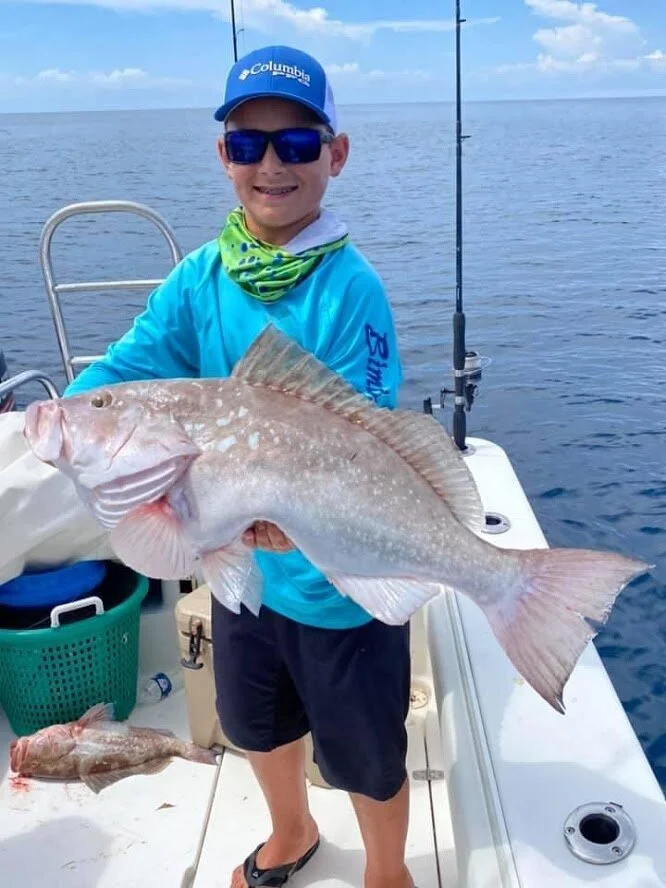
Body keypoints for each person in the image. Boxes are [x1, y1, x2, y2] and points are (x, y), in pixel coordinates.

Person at [65, 44, 413, 888]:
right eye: (249, 144)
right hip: (239, 569)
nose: (271, 165)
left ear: (335, 154)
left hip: (339, 577)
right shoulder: (200, 277)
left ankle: (386, 871)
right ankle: (292, 831)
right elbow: (127, 364)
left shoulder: (350, 289)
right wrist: (68, 416)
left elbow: (363, 437)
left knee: (366, 751)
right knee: (256, 721)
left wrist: (289, 516)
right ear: (223, 155)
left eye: (296, 143)